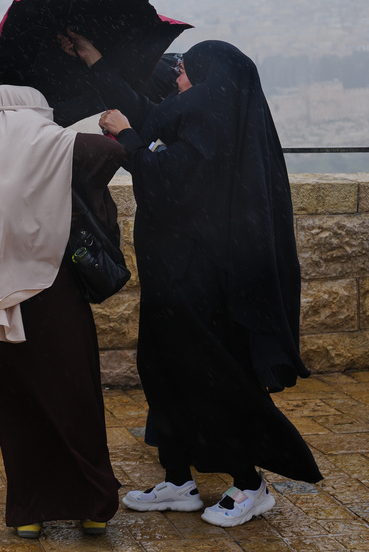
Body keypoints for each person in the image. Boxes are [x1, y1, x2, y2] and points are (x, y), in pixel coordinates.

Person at [95, 40, 322, 527]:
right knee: (164, 373)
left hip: (199, 285)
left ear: (209, 78)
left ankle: (249, 484)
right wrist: (96, 61)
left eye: (184, 70)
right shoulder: (204, 119)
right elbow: (149, 120)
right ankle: (178, 479)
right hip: (172, 281)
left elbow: (168, 181)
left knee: (209, 378)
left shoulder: (212, 129)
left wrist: (128, 138)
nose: (177, 78)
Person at [0, 85, 123, 539]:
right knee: (74, 397)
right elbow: (110, 153)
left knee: (16, 406)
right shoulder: (54, 146)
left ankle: (29, 509)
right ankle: (92, 505)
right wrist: (109, 126)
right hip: (53, 294)